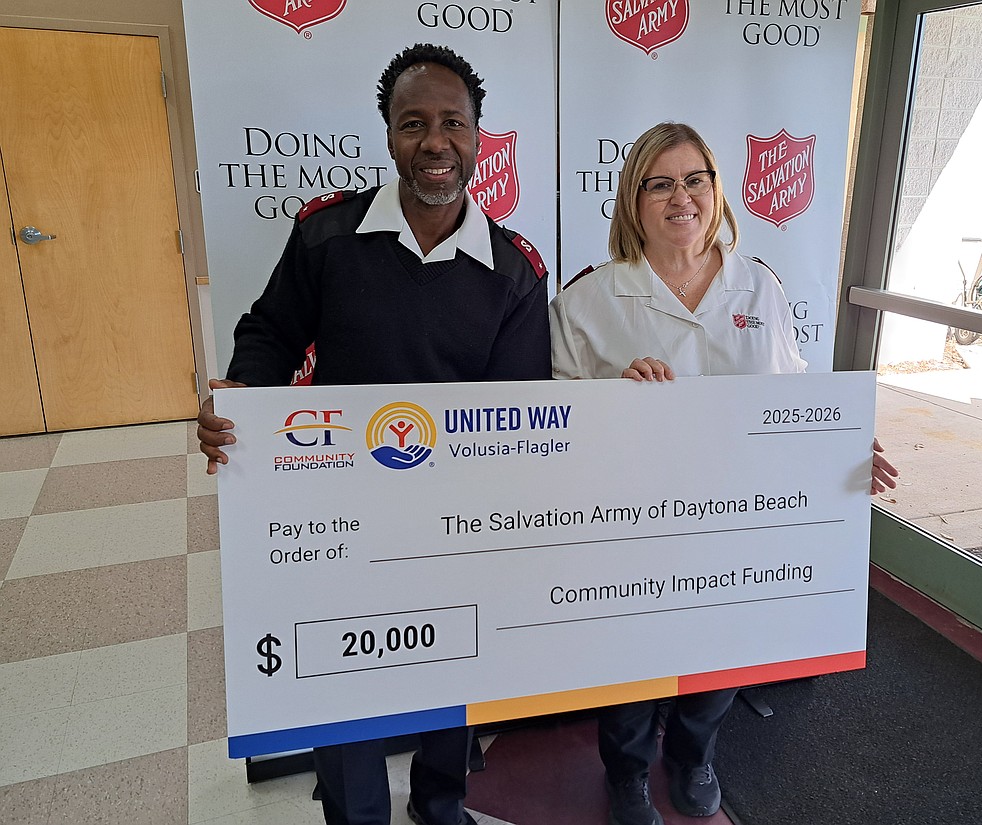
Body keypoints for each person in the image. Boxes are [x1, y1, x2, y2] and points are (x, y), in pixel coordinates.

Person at [197, 43, 551, 825]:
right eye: (413, 123)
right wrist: (243, 400)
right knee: (342, 671)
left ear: (479, 137)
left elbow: (519, 417)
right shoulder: (328, 235)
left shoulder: (516, 272)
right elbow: (269, 334)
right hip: (337, 509)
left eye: (452, 123)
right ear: (389, 136)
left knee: (453, 660)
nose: (434, 141)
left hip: (454, 516)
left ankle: (440, 798)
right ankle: (356, 812)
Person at [549, 122, 898, 825]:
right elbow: (558, 421)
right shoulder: (588, 300)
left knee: (722, 651)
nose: (682, 196)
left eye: (695, 179)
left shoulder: (759, 286)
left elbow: (795, 394)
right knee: (629, 657)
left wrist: (848, 445)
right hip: (631, 521)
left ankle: (692, 753)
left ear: (717, 189)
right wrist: (615, 394)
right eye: (661, 182)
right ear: (633, 200)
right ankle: (624, 771)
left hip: (737, 524)